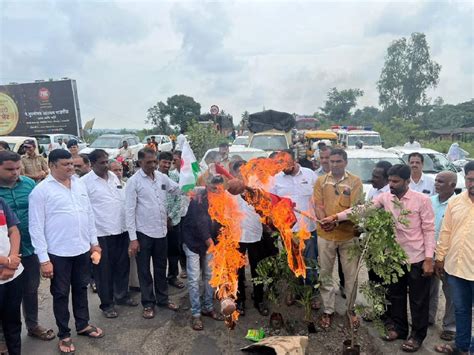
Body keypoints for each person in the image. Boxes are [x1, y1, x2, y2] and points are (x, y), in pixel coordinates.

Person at [325, 164, 435, 352]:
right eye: (390, 180)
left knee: (418, 301)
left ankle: (417, 336)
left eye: (395, 181)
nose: (391, 184)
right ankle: (399, 330)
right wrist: (336, 217)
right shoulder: (385, 198)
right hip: (393, 258)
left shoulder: (422, 200)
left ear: (407, 181)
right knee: (396, 297)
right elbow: (362, 209)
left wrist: (428, 259)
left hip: (416, 258)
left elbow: (429, 229)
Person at [29, 149, 104, 354]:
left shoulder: (79, 184)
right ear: (52, 165)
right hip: (58, 252)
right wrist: (44, 259)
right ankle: (64, 334)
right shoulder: (41, 191)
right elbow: (35, 227)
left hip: (81, 249)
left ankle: (83, 324)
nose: (71, 167)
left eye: (72, 164)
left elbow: (88, 214)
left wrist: (94, 242)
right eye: (66, 164)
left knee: (81, 288)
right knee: (61, 294)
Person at [0, 151, 55, 344]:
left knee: (31, 289)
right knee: (4, 295)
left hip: (29, 247)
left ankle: (33, 325)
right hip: (3, 252)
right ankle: (3, 337)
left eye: (17, 168)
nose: (15, 173)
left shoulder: (30, 184)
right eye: (9, 169)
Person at [125, 148, 181, 319]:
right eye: (148, 162)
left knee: (160, 268)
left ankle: (163, 300)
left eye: (154, 161)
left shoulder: (162, 178)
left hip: (161, 232)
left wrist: (194, 186)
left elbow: (177, 190)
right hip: (143, 233)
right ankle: (148, 303)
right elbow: (129, 211)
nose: (153, 165)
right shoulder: (134, 182)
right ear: (140, 162)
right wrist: (133, 239)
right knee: (144, 270)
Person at [82, 149, 137, 319]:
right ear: (91, 164)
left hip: (121, 230)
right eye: (102, 163)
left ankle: (122, 296)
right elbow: (85, 211)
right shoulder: (84, 183)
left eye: (107, 161)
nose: (106, 165)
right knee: (103, 271)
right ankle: (107, 304)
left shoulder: (114, 177)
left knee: (122, 266)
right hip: (101, 233)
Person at [313, 148, 363, 330]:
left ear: (345, 162)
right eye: (331, 161)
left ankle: (351, 311)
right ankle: (328, 311)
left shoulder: (355, 182)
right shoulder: (320, 181)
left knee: (351, 277)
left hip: (348, 235)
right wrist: (323, 220)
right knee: (325, 274)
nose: (334, 164)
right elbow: (318, 205)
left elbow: (356, 209)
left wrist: (334, 221)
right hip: (325, 236)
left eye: (338, 161)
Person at [434, 161, 474, 355]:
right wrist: (439, 258)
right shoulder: (455, 202)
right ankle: (462, 347)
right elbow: (446, 231)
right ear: (465, 179)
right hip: (456, 269)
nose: (473, 183)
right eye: (470, 179)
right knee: (461, 310)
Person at [271, 150, 319, 308]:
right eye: (280, 164)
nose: (283, 167)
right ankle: (295, 291)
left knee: (310, 264)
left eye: (287, 163)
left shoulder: (310, 175)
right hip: (289, 231)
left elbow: (318, 200)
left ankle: (311, 295)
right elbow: (272, 205)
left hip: (309, 229)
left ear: (295, 160)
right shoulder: (276, 180)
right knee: (293, 263)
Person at [181, 175, 224, 330]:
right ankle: (196, 314)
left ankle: (208, 307)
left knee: (209, 276)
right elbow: (201, 223)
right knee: (194, 278)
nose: (216, 191)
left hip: (210, 243)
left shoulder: (223, 198)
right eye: (213, 188)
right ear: (207, 185)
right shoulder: (198, 198)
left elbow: (222, 222)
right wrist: (210, 243)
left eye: (219, 188)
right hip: (193, 241)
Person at [231, 160, 269, 316]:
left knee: (257, 270)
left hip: (255, 234)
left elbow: (265, 208)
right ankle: (239, 301)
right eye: (238, 171)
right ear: (233, 173)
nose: (242, 174)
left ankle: (259, 299)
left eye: (244, 170)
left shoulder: (258, 187)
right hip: (235, 235)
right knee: (237, 271)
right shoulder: (228, 190)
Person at [428, 171, 457, 340]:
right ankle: (428, 318)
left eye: (440, 181)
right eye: (436, 180)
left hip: (448, 255)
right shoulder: (430, 201)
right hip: (429, 253)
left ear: (452, 185)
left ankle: (450, 326)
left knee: (450, 292)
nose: (436, 183)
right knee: (428, 289)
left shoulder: (458, 204)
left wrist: (443, 255)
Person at [157, 151, 187, 289]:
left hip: (174, 221)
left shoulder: (175, 177)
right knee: (160, 253)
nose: (167, 165)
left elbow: (179, 199)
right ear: (158, 162)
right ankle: (160, 279)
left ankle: (172, 276)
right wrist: (163, 218)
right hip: (157, 223)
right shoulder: (154, 178)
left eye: (169, 163)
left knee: (174, 251)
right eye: (164, 162)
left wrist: (170, 217)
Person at [109, 160, 140, 291]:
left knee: (130, 259)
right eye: (115, 170)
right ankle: (117, 290)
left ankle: (132, 284)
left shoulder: (127, 185)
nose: (118, 173)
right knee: (115, 262)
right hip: (112, 229)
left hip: (128, 227)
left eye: (120, 170)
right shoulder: (107, 187)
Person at [0, 196, 24, 355]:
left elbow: (13, 229)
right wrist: (7, 261)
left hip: (12, 275)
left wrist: (12, 262)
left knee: (13, 322)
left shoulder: (0, 201)